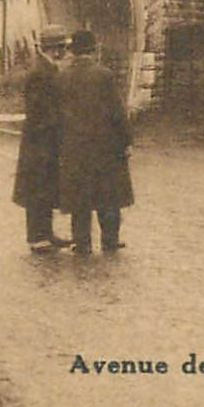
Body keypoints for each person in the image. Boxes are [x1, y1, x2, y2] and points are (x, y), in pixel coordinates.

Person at [57, 29, 134, 254]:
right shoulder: (104, 75)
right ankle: (110, 240)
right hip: (105, 147)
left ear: (73, 51)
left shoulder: (63, 77)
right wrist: (126, 140)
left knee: (79, 198)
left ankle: (82, 242)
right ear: (93, 50)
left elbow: (58, 115)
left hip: (75, 147)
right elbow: (117, 112)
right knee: (108, 197)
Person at [14, 25, 71, 253]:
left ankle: (46, 233)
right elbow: (39, 111)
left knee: (46, 186)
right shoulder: (41, 72)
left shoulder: (47, 68)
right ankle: (38, 238)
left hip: (44, 139)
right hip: (40, 140)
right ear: (53, 48)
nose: (65, 53)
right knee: (38, 188)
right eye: (62, 48)